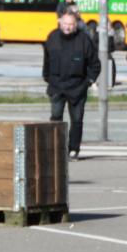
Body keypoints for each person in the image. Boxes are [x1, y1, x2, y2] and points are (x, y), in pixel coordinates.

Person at [43, 11, 100, 160]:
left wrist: (89, 81)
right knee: (55, 117)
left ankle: (73, 149)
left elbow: (95, 64)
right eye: (65, 24)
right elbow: (47, 61)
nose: (68, 27)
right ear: (60, 23)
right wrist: (47, 77)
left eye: (71, 24)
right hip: (56, 86)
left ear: (76, 25)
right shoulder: (52, 37)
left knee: (77, 120)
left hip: (77, 87)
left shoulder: (84, 40)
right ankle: (56, 148)